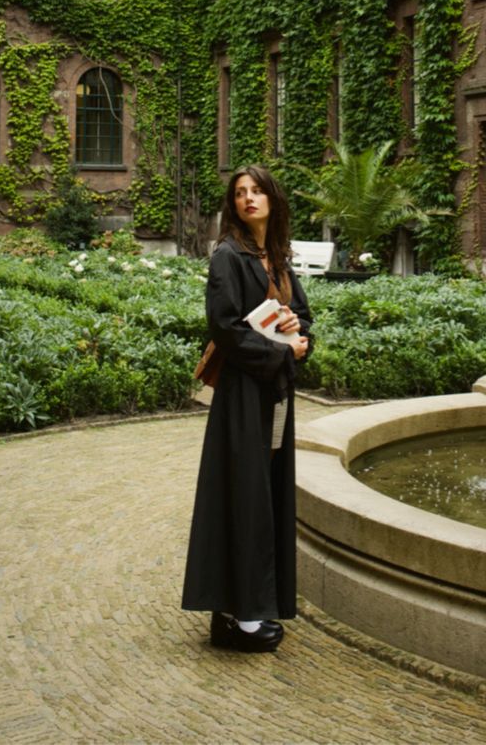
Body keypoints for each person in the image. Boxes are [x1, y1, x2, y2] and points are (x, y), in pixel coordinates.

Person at [181, 165, 313, 653]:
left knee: (268, 494)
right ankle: (237, 616)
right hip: (242, 398)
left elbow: (304, 317)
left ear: (273, 200)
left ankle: (253, 607)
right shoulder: (228, 258)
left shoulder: (276, 258)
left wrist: (299, 337)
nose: (248, 199)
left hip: (275, 397)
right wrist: (283, 352)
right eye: (240, 193)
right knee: (244, 497)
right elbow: (226, 329)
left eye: (256, 191)